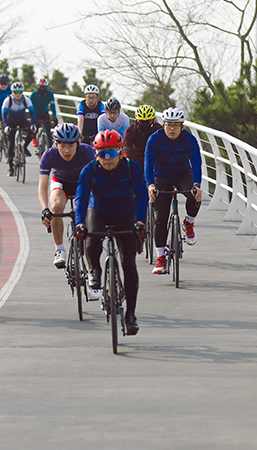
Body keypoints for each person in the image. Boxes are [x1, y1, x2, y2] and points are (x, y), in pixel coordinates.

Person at [74, 130, 147, 335]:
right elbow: (81, 198)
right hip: (99, 211)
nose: (107, 158)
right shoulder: (89, 170)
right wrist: (79, 224)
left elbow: (141, 196)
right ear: (96, 154)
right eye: (102, 153)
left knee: (129, 265)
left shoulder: (133, 169)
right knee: (91, 237)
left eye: (112, 153)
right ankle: (95, 270)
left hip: (126, 215)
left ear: (121, 152)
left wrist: (140, 222)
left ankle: (130, 314)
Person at [144, 107, 203, 275]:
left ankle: (189, 222)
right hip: (161, 177)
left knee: (194, 194)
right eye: (168, 124)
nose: (171, 128)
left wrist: (197, 184)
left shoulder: (189, 139)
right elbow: (148, 163)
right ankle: (161, 258)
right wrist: (150, 185)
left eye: (175, 125)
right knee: (160, 219)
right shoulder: (154, 139)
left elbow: (197, 163)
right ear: (163, 125)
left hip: (182, 173)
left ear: (182, 127)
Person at [38, 123, 96, 270]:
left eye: (71, 146)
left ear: (78, 143)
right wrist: (45, 210)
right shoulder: (49, 155)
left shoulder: (87, 152)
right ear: (56, 144)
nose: (66, 150)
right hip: (60, 182)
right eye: (62, 146)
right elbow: (43, 186)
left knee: (88, 215)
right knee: (56, 207)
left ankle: (92, 274)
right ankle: (59, 249)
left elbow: (98, 179)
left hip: (81, 182)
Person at [1, 82, 36, 176]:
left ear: (22, 92)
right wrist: (6, 126)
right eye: (15, 92)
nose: (17, 94)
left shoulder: (26, 100)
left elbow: (32, 113)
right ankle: (10, 168)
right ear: (12, 92)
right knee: (11, 143)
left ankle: (24, 148)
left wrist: (33, 124)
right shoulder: (8, 101)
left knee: (32, 132)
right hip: (10, 121)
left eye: (19, 92)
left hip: (22, 120)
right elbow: (3, 115)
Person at [123, 104, 161, 170]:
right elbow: (127, 149)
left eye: (148, 122)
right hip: (136, 160)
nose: (145, 124)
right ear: (136, 121)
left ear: (153, 120)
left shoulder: (159, 130)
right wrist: (128, 164)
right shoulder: (131, 130)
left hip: (154, 160)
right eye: (141, 122)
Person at [29, 77, 58, 151]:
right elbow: (30, 107)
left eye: (44, 87)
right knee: (36, 126)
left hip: (45, 112)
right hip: (36, 113)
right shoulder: (33, 95)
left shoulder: (50, 94)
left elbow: (52, 106)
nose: (42, 89)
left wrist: (54, 116)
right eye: (40, 87)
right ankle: (34, 138)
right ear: (37, 87)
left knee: (48, 130)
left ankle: (49, 147)